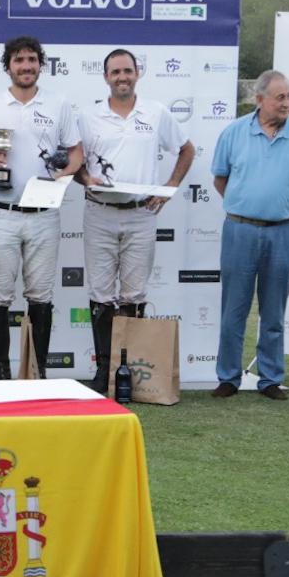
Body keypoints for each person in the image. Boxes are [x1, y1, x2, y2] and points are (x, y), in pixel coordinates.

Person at [0, 35, 83, 380]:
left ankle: (36, 371)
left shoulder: (58, 104)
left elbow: (75, 151)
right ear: (8, 66)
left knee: (41, 295)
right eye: (19, 60)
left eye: (32, 60)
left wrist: (66, 170)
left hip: (44, 214)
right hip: (1, 213)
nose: (26, 66)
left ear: (40, 65)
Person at [76, 49, 194, 393]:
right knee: (100, 294)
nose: (122, 77)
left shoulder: (155, 112)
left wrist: (170, 187)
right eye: (115, 72)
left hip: (141, 215)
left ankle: (127, 373)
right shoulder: (89, 115)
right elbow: (73, 161)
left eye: (127, 71)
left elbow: (186, 149)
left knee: (133, 294)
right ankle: (103, 373)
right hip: (99, 212)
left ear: (137, 73)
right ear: (105, 77)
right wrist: (85, 179)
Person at [209, 69, 289, 400]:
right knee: (234, 309)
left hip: (281, 234)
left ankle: (270, 378)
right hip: (240, 230)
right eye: (279, 97)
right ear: (259, 100)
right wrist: (247, 204)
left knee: (274, 310)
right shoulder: (233, 133)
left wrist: (278, 206)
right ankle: (228, 377)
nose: (286, 103)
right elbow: (221, 180)